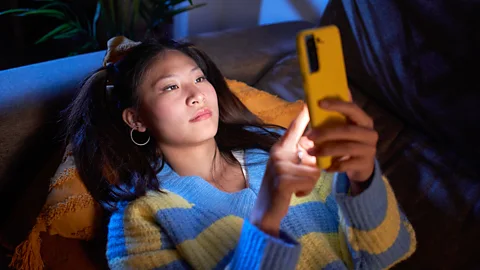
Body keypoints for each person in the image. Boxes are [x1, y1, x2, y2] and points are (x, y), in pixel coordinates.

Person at [65, 36, 416, 269]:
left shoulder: (283, 150)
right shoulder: (140, 219)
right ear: (137, 119)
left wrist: (364, 179)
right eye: (171, 87)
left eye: (199, 79)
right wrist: (266, 217)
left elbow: (387, 255)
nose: (196, 94)